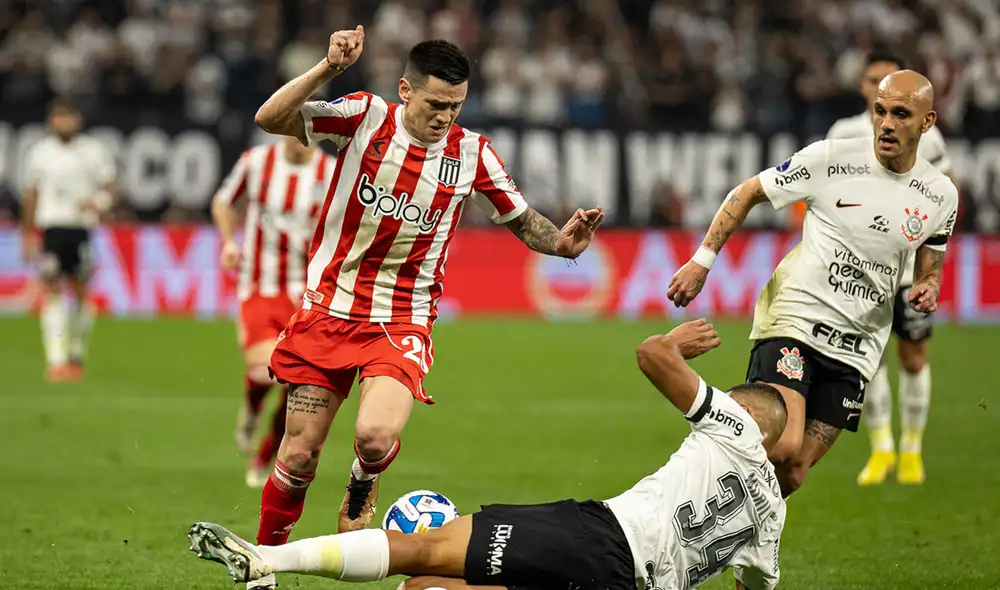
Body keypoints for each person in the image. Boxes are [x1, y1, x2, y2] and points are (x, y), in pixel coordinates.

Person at [247, 27, 604, 589]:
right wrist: (328, 68)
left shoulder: (472, 152)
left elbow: (523, 220)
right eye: (436, 104)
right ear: (405, 90)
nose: (445, 117)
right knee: (298, 454)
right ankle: (263, 564)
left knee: (374, 435)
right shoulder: (363, 117)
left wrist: (561, 242)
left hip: (401, 317)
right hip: (329, 309)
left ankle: (363, 480)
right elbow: (270, 119)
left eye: (455, 106)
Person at [188, 318, 788, 590]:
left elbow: (652, 356)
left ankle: (268, 559)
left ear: (744, 414)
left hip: (602, 538)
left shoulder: (734, 425)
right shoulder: (774, 518)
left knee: (425, 551)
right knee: (434, 589)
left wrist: (672, 343)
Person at [667, 70, 959, 499]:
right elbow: (747, 192)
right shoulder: (831, 158)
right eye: (880, 111)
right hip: (797, 318)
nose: (886, 124)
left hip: (858, 344)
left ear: (927, 122)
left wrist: (928, 286)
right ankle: (695, 462)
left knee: (793, 473)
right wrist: (701, 261)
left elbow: (929, 264)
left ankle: (722, 528)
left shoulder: (940, 196)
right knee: (783, 444)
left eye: (900, 114)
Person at [825, 52, 956, 486]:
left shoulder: (927, 139)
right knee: (870, 361)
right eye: (873, 80)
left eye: (889, 79)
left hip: (906, 273)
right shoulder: (844, 134)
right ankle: (881, 448)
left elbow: (946, 191)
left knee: (914, 358)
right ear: (864, 86)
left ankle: (912, 450)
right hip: (861, 273)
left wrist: (928, 261)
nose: (880, 87)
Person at [211, 134, 335, 488]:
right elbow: (222, 202)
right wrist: (229, 242)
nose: (301, 139)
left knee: (301, 385)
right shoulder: (256, 162)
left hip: (308, 294)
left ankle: (265, 456)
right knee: (267, 371)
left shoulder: (331, 172)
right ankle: (252, 408)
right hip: (260, 286)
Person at [20, 97, 117, 382]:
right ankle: (56, 359)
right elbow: (30, 196)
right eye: (59, 116)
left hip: (80, 228)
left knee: (82, 292)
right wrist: (27, 235)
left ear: (78, 120)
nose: (64, 122)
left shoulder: (93, 151)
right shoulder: (40, 153)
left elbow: (112, 188)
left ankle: (75, 353)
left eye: (69, 116)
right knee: (52, 290)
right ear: (51, 121)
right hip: (51, 229)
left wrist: (99, 202)